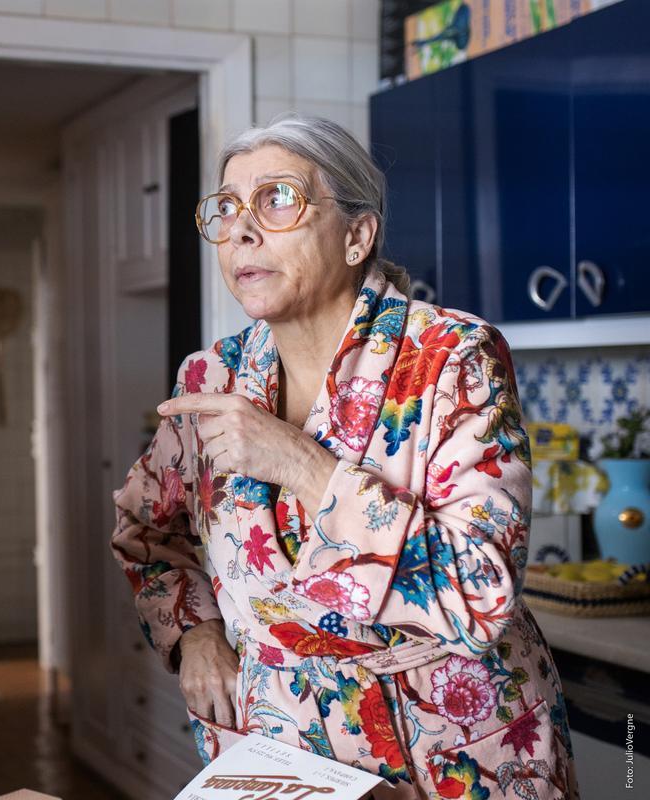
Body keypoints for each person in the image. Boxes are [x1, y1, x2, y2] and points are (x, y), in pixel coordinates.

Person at [112, 114, 577, 799]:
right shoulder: (210, 379)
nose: (241, 229)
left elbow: (483, 593)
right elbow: (148, 534)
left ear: (358, 234)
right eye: (227, 207)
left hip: (455, 749)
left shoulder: (453, 360)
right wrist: (195, 634)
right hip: (281, 747)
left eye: (277, 200)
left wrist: (301, 464)